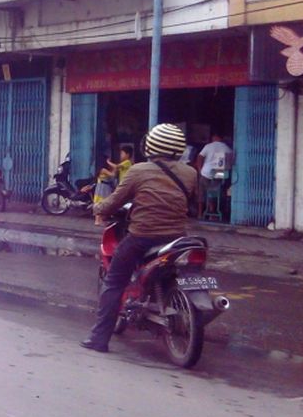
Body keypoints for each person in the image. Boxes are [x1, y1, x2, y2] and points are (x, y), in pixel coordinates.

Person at [81, 123, 198, 353]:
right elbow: (192, 204)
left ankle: (99, 339)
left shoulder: (139, 170)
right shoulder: (190, 172)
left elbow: (115, 201)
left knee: (113, 282)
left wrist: (96, 208)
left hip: (143, 236)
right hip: (177, 237)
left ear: (151, 146)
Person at [195, 133, 233, 216]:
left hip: (205, 173)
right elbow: (230, 164)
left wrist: (200, 169)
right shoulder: (227, 148)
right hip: (219, 174)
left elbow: (200, 157)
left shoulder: (208, 146)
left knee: (202, 193)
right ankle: (212, 212)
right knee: (215, 193)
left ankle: (200, 213)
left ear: (214, 137)